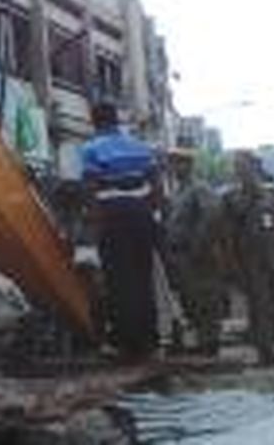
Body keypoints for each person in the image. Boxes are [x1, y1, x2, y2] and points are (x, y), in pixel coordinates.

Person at [80, 102, 160, 361]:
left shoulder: (91, 149)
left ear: (94, 121)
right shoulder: (140, 147)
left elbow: (90, 190)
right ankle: (150, 340)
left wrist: (94, 227)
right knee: (142, 277)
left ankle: (126, 344)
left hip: (112, 216)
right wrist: (150, 212)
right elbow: (156, 184)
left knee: (119, 280)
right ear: (116, 120)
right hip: (141, 215)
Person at [225, 151, 274, 366]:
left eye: (245, 165)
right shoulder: (232, 197)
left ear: (256, 167)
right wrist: (233, 265)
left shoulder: (273, 193)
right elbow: (228, 234)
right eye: (237, 166)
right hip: (252, 261)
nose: (241, 170)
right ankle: (266, 354)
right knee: (260, 308)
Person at [164, 150, 228, 356]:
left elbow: (212, 216)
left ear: (189, 165)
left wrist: (198, 245)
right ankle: (203, 340)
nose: (174, 168)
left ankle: (210, 342)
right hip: (182, 255)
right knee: (191, 299)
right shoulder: (179, 191)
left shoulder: (199, 188)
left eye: (178, 164)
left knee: (206, 299)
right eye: (172, 164)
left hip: (198, 255)